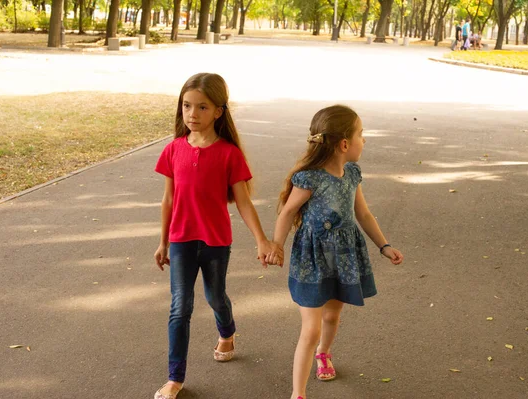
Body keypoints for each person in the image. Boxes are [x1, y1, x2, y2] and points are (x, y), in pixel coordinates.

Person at [153, 73, 283, 399]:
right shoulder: (173, 150)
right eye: (186, 106)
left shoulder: (228, 154)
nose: (192, 114)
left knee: (215, 297)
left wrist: (262, 240)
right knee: (180, 307)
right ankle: (175, 379)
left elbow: (243, 202)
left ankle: (227, 332)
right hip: (182, 239)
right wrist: (163, 241)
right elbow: (168, 199)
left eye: (201, 107)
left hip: (215, 242)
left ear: (218, 112)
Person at [266, 105, 404, 399]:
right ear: (344, 144)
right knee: (311, 328)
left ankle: (323, 354)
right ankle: (298, 393)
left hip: (343, 258)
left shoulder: (352, 173)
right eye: (361, 135)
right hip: (312, 260)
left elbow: (363, 214)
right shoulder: (310, 178)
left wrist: (384, 245)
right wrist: (276, 246)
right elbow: (288, 211)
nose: (364, 141)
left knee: (332, 317)